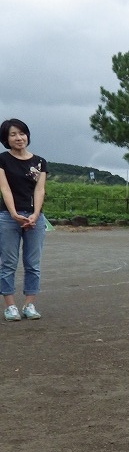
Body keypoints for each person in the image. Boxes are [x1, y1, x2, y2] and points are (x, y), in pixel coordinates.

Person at [0, 118, 47, 321]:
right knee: (8, 263)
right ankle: (10, 306)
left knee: (33, 263)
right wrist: (14, 214)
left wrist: (35, 214)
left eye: (22, 133)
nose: (19, 138)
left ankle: (29, 304)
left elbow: (40, 190)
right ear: (6, 138)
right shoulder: (2, 160)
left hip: (35, 218)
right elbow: (5, 189)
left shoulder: (40, 162)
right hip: (8, 217)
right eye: (13, 134)